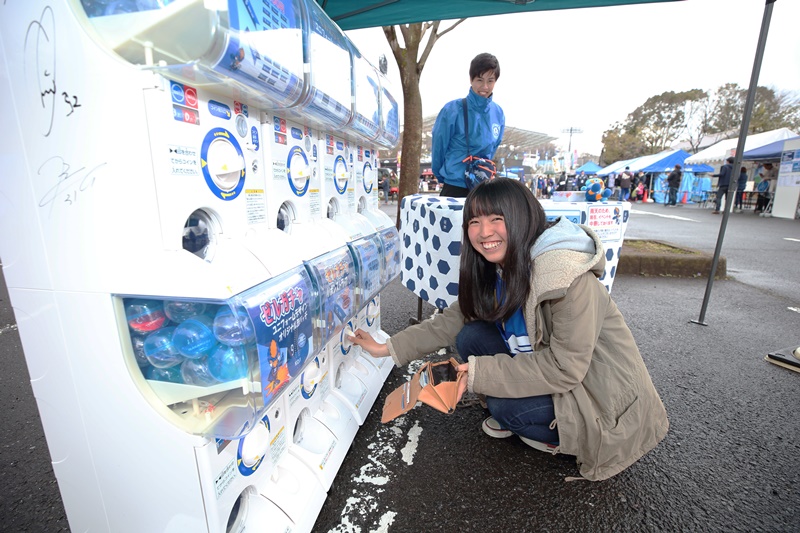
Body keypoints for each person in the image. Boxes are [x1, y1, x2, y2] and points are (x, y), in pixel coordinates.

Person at [349, 178, 669, 481]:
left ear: (521, 217)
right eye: (474, 221)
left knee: (507, 409)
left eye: (496, 219)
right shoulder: (501, 267)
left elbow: (564, 369)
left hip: (596, 399)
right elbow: (453, 319)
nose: (484, 232)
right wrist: (388, 347)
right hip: (555, 373)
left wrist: (477, 374)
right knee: (470, 335)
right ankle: (523, 410)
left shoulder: (567, 278)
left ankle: (561, 437)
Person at [431, 53, 505, 198]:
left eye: (490, 81)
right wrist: (443, 176)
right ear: (471, 79)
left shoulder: (498, 113)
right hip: (454, 187)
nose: (485, 86)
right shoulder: (452, 110)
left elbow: (493, 149)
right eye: (479, 80)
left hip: (482, 189)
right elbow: (438, 147)